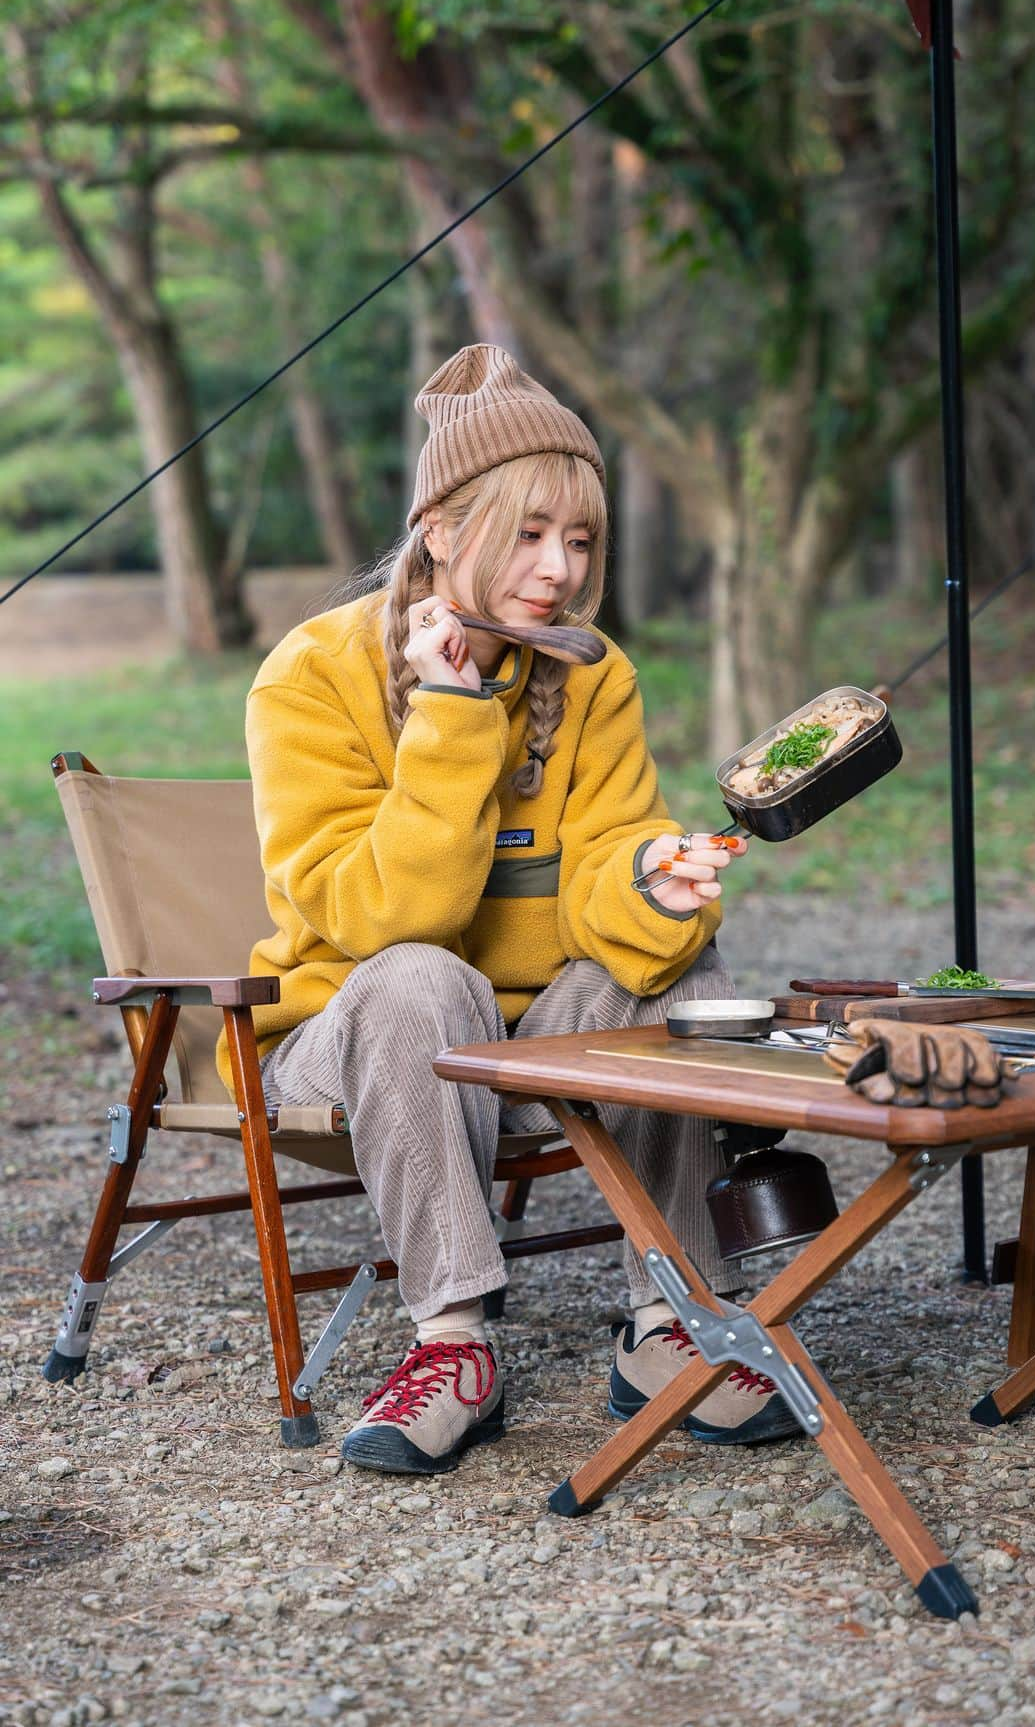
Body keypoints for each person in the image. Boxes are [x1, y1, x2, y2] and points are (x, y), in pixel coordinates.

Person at [217, 343, 798, 1476]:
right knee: (423, 977)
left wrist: (650, 883)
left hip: (533, 1044)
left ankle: (669, 1316)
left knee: (679, 969)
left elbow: (607, 860)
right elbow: (388, 918)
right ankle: (452, 1343)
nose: (560, 568)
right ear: (440, 526)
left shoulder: (591, 673)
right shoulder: (313, 675)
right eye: (529, 533)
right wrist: (449, 709)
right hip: (353, 1033)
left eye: (580, 539)